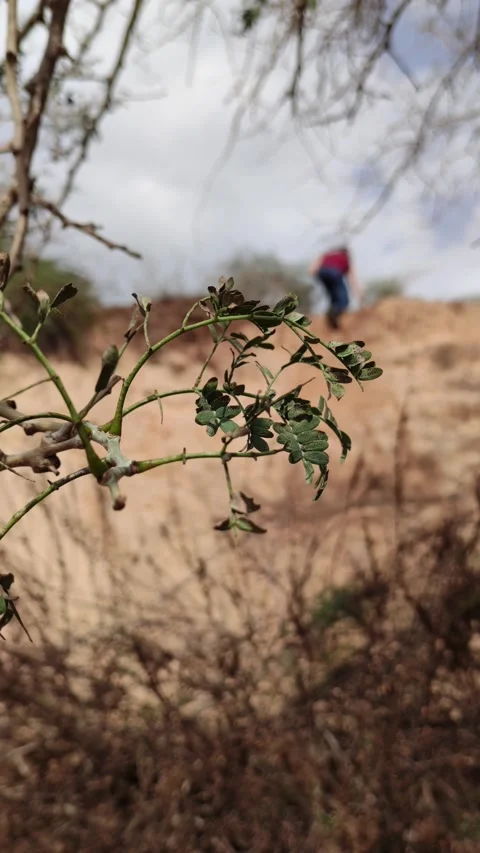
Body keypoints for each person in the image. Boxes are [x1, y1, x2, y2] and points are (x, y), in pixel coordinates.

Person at [309, 245, 361, 329]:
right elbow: (352, 279)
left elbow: (315, 264)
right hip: (334, 273)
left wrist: (312, 271)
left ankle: (332, 316)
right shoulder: (345, 259)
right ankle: (333, 315)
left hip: (322, 273)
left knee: (333, 297)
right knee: (344, 300)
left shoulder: (329, 255)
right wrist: (358, 294)